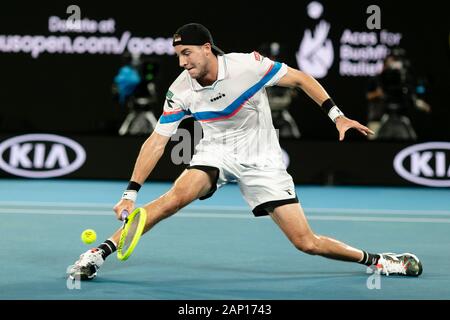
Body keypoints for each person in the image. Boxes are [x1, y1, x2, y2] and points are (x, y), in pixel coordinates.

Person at [68, 23, 423, 280]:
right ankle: (99, 253)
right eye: (177, 55)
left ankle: (379, 260)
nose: (181, 62)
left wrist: (337, 115)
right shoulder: (181, 90)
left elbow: (300, 78)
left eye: (186, 53)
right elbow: (156, 141)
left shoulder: (247, 67)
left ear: (206, 47)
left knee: (306, 242)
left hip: (262, 160)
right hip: (217, 151)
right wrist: (130, 193)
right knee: (176, 196)